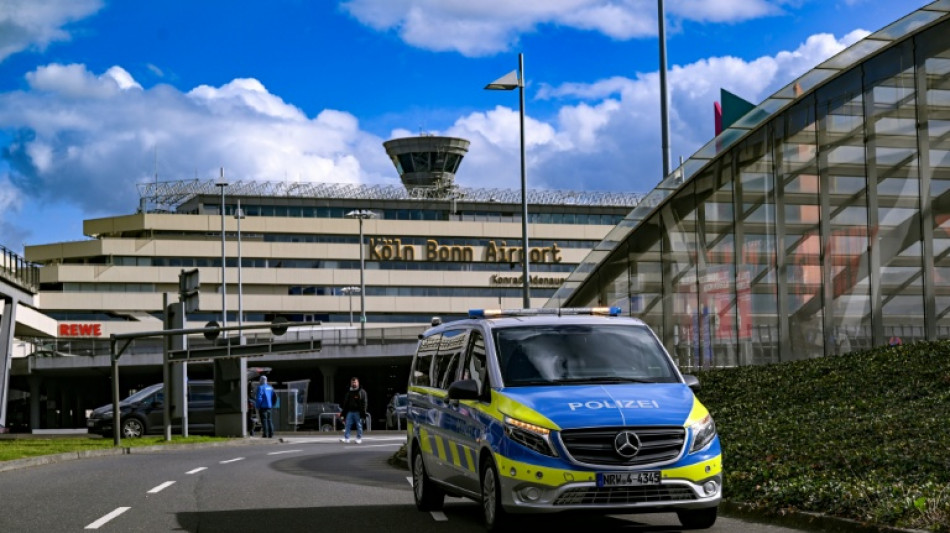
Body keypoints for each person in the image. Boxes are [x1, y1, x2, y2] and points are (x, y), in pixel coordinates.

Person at [339, 376, 367, 444]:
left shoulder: (362, 392)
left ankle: (359, 438)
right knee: (347, 425)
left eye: (355, 382)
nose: (354, 384)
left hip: (358, 412)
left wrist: (363, 412)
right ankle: (347, 438)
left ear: (358, 383)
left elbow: (364, 403)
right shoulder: (349, 391)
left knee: (359, 425)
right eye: (352, 382)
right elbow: (346, 403)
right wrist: (343, 413)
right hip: (350, 411)